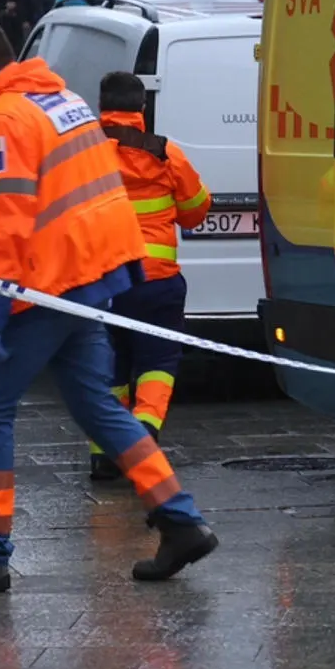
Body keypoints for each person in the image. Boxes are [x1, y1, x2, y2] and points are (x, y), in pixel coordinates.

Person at [0, 20, 218, 595]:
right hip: (89, 281)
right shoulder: (64, 101)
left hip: (41, 288)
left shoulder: (5, 121)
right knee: (97, 407)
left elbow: (2, 230)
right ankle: (179, 519)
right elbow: (100, 197)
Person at [87, 71, 209, 482]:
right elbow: (196, 209)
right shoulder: (164, 152)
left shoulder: (79, 152)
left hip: (100, 282)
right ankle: (144, 433)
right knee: (158, 360)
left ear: (101, 105)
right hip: (156, 281)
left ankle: (105, 453)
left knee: (109, 365)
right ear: (142, 108)